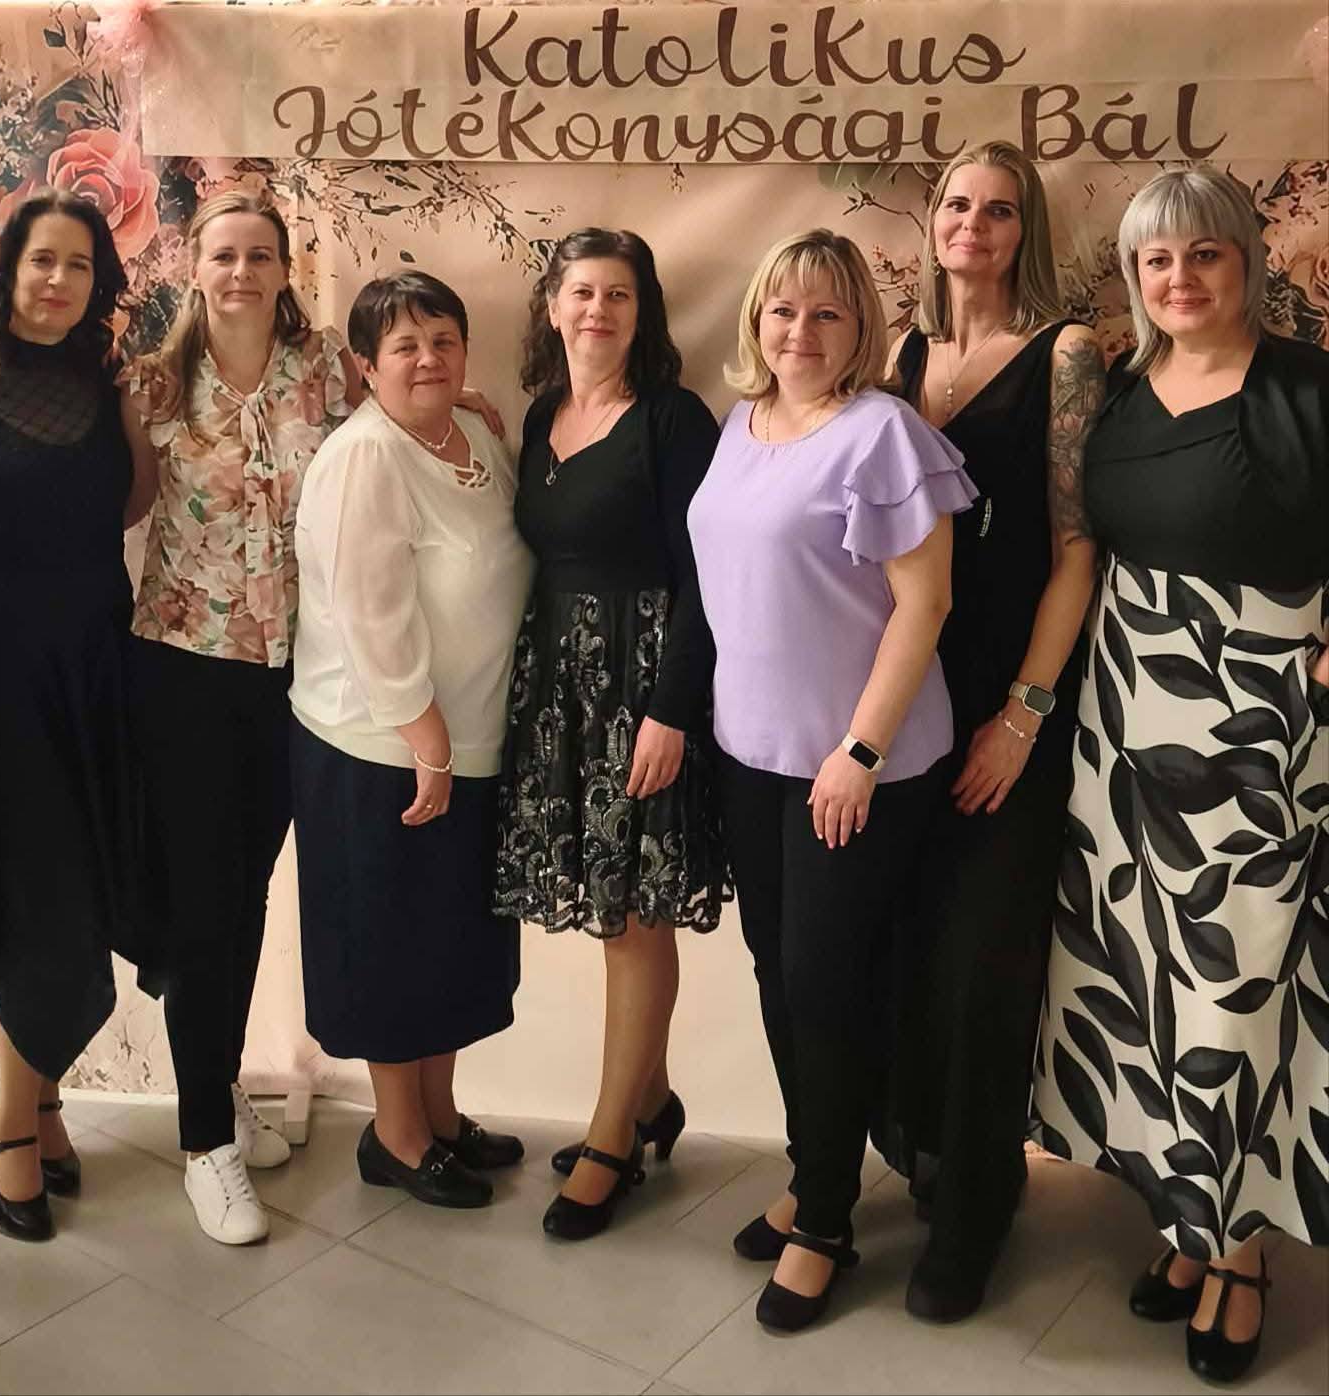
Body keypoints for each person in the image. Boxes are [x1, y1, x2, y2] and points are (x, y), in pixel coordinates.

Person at [1031, 166, 1328, 1384]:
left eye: (1204, 253)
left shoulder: (1306, 386)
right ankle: (1188, 1217)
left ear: (1247, 259)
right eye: (1156, 259)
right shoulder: (1118, 394)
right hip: (1127, 714)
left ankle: (1239, 1249)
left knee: (1233, 982)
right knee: (1142, 977)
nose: (1179, 278)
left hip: (1258, 725)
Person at [688, 229, 976, 1332]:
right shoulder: (740, 425)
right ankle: (819, 1173)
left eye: (826, 314)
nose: (798, 332)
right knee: (779, 974)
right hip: (751, 755)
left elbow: (925, 604)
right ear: (756, 320)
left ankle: (823, 1225)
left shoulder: (881, 435)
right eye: (781, 310)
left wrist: (858, 752)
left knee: (824, 984)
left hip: (855, 767)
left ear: (860, 330)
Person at [873, 140, 1105, 1321]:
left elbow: (1077, 550)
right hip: (908, 694)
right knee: (912, 945)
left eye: (999, 209)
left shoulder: (1066, 354)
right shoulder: (903, 355)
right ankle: (930, 1160)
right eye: (957, 203)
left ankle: (977, 1209)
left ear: (1027, 231)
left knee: (985, 960)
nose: (973, 223)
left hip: (1014, 695)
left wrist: (1023, 714)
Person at [123, 189, 353, 1245]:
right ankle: (204, 1143)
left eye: (261, 255)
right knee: (203, 903)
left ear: (284, 268)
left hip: (294, 672)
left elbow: (389, 448)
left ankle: (218, 1081)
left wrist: (471, 412)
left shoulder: (328, 371)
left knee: (248, 892)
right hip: (184, 670)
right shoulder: (155, 384)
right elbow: (122, 507)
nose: (243, 272)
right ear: (193, 264)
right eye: (225, 255)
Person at [493, 228, 728, 1242]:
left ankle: (609, 1140)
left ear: (643, 312)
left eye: (619, 295)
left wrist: (671, 710)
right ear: (553, 307)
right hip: (561, 691)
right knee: (612, 908)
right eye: (582, 292)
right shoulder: (540, 414)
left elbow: (709, 578)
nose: (598, 310)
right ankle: (652, 1097)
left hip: (643, 688)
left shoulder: (673, 419)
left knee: (633, 919)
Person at [0, 190, 149, 1243]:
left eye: (79, 265)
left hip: (97, 659)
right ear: (8, 269)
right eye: (42, 260)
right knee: (35, 893)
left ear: (99, 283)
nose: (59, 280)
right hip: (5, 668)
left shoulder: (106, 379)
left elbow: (131, 503)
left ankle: (42, 1101)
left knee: (83, 887)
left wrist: (138, 408)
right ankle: (11, 1121)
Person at [291, 270, 532, 1209]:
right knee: (389, 940)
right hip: (381, 749)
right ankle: (395, 1136)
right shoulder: (365, 457)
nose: (428, 359)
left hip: (468, 741)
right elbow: (369, 615)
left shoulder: (475, 436)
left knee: (446, 938)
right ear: (365, 365)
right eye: (404, 346)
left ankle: (439, 1114)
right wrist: (427, 740)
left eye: (443, 341)